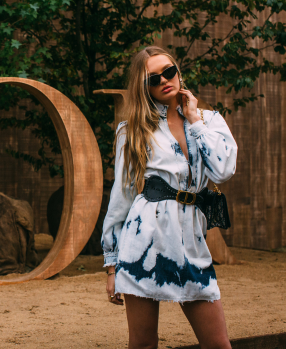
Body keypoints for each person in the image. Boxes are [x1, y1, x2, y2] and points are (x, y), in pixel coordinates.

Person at [101, 46, 237, 349]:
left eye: (169, 71)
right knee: (143, 344)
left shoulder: (209, 120)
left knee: (218, 344)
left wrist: (195, 121)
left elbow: (224, 170)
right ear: (143, 87)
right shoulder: (133, 130)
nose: (164, 80)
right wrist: (112, 266)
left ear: (178, 71)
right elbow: (121, 197)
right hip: (143, 243)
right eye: (153, 78)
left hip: (191, 242)